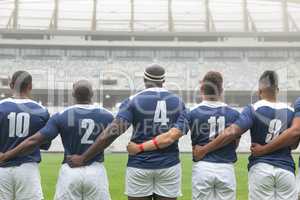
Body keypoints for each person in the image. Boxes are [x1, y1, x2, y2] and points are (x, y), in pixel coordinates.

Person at [67, 65, 188, 200]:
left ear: (144, 79)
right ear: (163, 80)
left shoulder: (133, 101)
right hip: (169, 165)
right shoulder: (179, 102)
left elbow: (112, 132)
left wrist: (83, 157)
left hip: (140, 164)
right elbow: (173, 135)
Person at [127, 71, 240, 200]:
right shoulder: (234, 114)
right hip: (226, 168)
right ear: (221, 90)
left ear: (201, 89)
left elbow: (171, 136)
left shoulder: (192, 112)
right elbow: (234, 142)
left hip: (202, 167)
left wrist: (140, 147)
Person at [192, 70, 297, 200]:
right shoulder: (291, 111)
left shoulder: (253, 108)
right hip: (286, 169)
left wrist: (205, 149)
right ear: (278, 90)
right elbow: (293, 144)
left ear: (259, 90)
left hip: (261, 168)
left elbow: (232, 132)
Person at [0, 80, 113, 200]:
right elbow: (108, 138)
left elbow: (34, 141)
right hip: (96, 170)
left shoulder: (61, 115)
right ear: (92, 94)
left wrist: (7, 155)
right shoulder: (108, 116)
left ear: (73, 94)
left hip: (70, 170)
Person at [0, 71, 50, 200]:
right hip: (27, 168)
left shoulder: (1, 107)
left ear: (11, 85)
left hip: (2, 168)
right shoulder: (41, 111)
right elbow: (44, 144)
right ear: (30, 86)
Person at [251, 97, 300, 198]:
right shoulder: (292, 108)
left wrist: (264, 149)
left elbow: (295, 135)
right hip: (285, 167)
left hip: (263, 165)